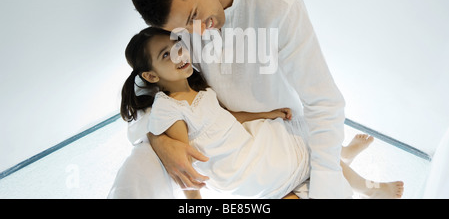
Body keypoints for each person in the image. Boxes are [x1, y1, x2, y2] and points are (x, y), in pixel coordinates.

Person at [116, 27, 404, 199]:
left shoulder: (199, 90)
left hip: (245, 144)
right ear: (151, 76)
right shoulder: (170, 107)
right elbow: (183, 163)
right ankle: (369, 188)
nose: (179, 55)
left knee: (301, 131)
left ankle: (343, 153)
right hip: (240, 168)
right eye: (166, 55)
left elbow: (229, 117)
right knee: (313, 158)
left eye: (177, 46)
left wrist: (267, 113)